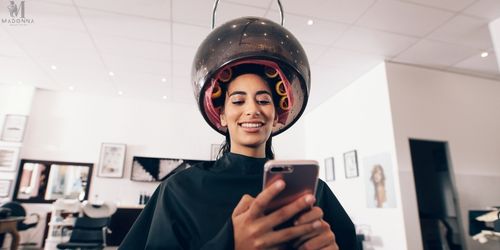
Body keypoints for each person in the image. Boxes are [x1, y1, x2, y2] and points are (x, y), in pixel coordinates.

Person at [120, 16, 356, 249]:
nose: (252, 110)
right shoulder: (179, 190)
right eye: (238, 101)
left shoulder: (314, 192)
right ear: (221, 114)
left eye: (263, 100)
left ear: (277, 116)